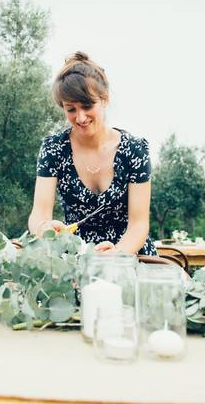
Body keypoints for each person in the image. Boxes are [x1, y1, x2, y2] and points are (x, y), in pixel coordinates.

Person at [28, 52, 155, 255]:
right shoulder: (53, 149)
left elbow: (139, 225)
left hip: (129, 256)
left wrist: (115, 254)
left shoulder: (134, 150)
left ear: (104, 100)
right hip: (77, 259)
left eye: (87, 106)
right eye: (71, 109)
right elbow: (39, 213)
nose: (80, 117)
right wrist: (43, 228)